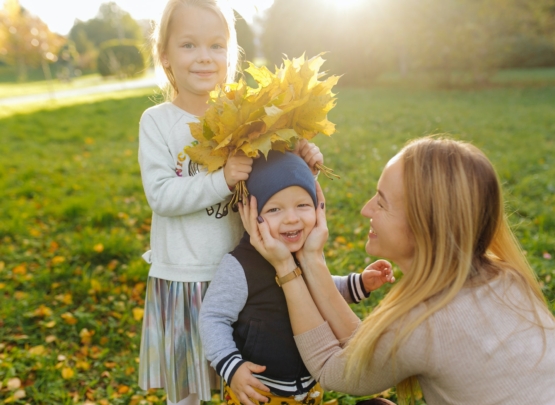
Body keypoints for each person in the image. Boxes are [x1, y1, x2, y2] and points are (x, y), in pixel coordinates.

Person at [240, 137, 555, 405]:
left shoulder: (428, 321)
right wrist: (311, 260)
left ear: (424, 226)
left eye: (381, 202)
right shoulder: (508, 278)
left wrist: (285, 265)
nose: (366, 209)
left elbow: (331, 368)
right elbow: (368, 348)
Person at [137, 2, 323, 405]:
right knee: (189, 389)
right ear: (166, 55)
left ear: (230, 54)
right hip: (185, 277)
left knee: (243, 379)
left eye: (216, 45)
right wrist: (221, 179)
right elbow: (162, 195)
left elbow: (276, 182)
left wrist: (302, 157)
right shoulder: (158, 121)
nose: (204, 56)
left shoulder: (245, 118)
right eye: (188, 45)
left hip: (246, 274)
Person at [199, 151, 394, 405]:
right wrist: (231, 366)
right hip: (260, 392)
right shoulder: (240, 265)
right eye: (274, 209)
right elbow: (214, 317)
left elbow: (318, 292)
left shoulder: (303, 252)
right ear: (249, 212)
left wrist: (356, 284)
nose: (292, 218)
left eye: (302, 205)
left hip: (308, 391)